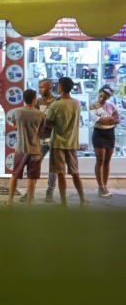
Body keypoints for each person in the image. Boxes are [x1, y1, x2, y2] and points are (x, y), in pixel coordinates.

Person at [45, 77, 90, 208]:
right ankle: (82, 200)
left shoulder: (56, 105)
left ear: (60, 87)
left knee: (61, 173)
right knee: (75, 172)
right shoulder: (77, 103)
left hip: (57, 143)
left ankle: (64, 203)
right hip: (72, 143)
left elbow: (48, 123)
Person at [4, 90, 45, 206]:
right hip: (35, 150)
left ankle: (10, 201)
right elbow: (41, 131)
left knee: (15, 175)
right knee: (31, 178)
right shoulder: (41, 114)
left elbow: (15, 126)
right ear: (34, 99)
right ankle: (29, 204)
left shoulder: (17, 112)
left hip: (21, 149)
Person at [20, 78, 58, 202]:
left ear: (50, 88)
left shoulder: (57, 101)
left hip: (55, 138)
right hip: (40, 138)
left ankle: (50, 193)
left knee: (54, 168)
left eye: (42, 87)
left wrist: (46, 123)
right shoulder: (38, 102)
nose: (40, 90)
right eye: (39, 87)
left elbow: (58, 121)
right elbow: (33, 117)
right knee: (34, 166)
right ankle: (30, 192)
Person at [90, 85, 119, 198]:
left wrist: (107, 121)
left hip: (110, 134)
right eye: (101, 96)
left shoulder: (111, 105)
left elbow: (117, 120)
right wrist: (109, 119)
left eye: (105, 97)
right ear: (99, 93)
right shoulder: (93, 105)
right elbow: (98, 120)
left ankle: (105, 186)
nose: (102, 99)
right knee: (100, 160)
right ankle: (100, 186)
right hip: (99, 134)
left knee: (107, 160)